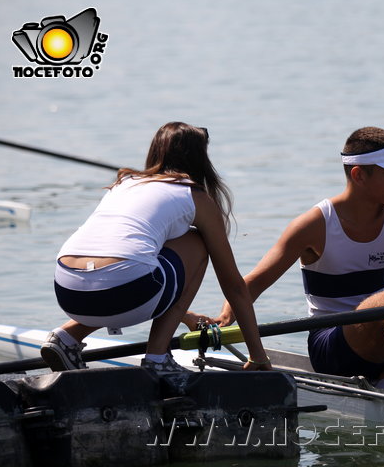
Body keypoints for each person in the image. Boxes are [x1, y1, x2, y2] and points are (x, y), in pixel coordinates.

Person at [215, 126, 384, 399]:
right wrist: (223, 318)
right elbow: (252, 283)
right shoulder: (314, 225)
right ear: (359, 174)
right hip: (331, 348)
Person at [42, 122, 271, 373]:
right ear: (200, 159)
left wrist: (187, 317)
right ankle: (158, 358)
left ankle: (67, 336)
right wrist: (258, 357)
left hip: (67, 289)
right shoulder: (195, 197)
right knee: (197, 242)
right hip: (124, 289)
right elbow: (234, 286)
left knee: (131, 261)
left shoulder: (124, 182)